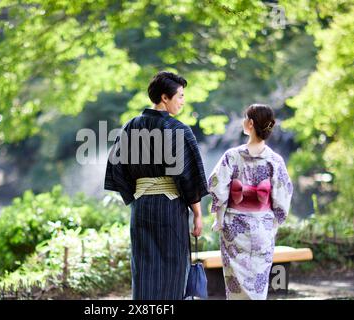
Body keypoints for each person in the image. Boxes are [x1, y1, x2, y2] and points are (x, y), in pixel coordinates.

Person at [104, 71, 208, 300]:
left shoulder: (130, 127)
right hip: (170, 209)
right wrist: (198, 214)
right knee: (173, 270)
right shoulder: (178, 129)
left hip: (141, 208)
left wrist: (138, 193)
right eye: (179, 96)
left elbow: (117, 168)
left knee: (144, 272)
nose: (182, 101)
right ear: (164, 97)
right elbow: (188, 178)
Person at [208, 104, 293, 300]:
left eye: (245, 118)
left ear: (251, 123)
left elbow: (217, 188)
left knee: (235, 285)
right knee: (258, 284)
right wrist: (274, 222)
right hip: (263, 227)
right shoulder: (275, 160)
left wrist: (219, 219)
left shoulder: (232, 156)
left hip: (234, 230)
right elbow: (283, 195)